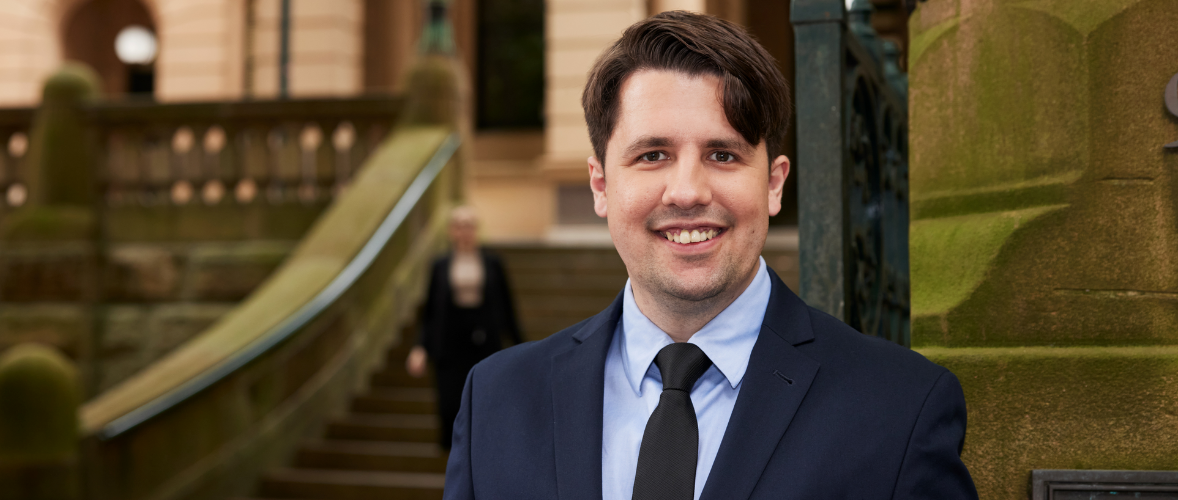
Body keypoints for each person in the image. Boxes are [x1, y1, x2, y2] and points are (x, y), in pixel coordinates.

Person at [444, 11, 977, 500]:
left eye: (723, 155)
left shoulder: (900, 409)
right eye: (653, 155)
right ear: (601, 184)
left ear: (773, 183)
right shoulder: (496, 400)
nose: (687, 192)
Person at [406, 206, 522, 450]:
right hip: (449, 343)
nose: (465, 231)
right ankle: (452, 458)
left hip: (484, 340)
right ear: (452, 231)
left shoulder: (492, 263)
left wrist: (522, 347)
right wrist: (420, 347)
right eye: (460, 225)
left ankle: (482, 454)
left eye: (469, 225)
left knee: (485, 400)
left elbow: (507, 307)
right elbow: (430, 311)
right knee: (450, 403)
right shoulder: (440, 265)